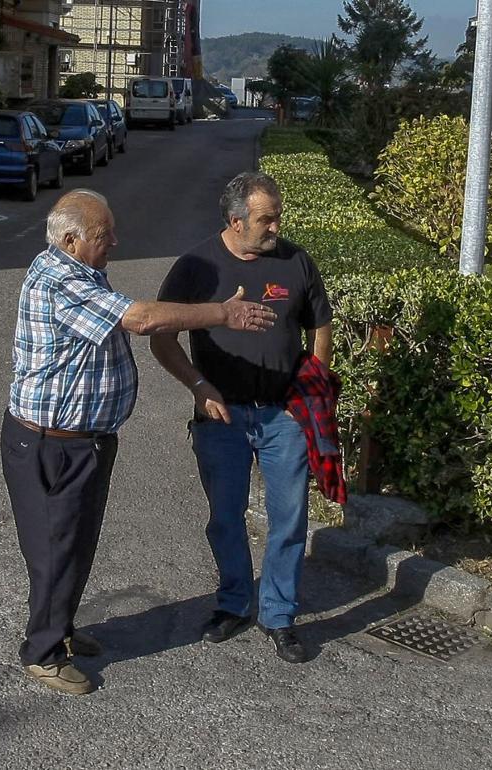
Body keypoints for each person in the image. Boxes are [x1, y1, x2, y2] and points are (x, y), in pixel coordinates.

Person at [1, 189, 277, 695]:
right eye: (105, 236)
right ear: (70, 240)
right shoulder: (58, 277)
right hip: (51, 443)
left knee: (78, 543)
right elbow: (142, 319)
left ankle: (59, 628)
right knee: (55, 549)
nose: (115, 242)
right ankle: (41, 652)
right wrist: (222, 314)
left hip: (85, 441)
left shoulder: (82, 270)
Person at [150, 172, 333, 664]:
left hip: (283, 417)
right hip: (221, 418)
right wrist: (197, 385)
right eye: (265, 219)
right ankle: (234, 604)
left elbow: (320, 324)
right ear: (235, 220)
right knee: (226, 519)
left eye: (276, 216)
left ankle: (279, 615)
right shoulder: (196, 267)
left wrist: (313, 380)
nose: (277, 226)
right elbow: (161, 337)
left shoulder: (296, 261)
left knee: (290, 519)